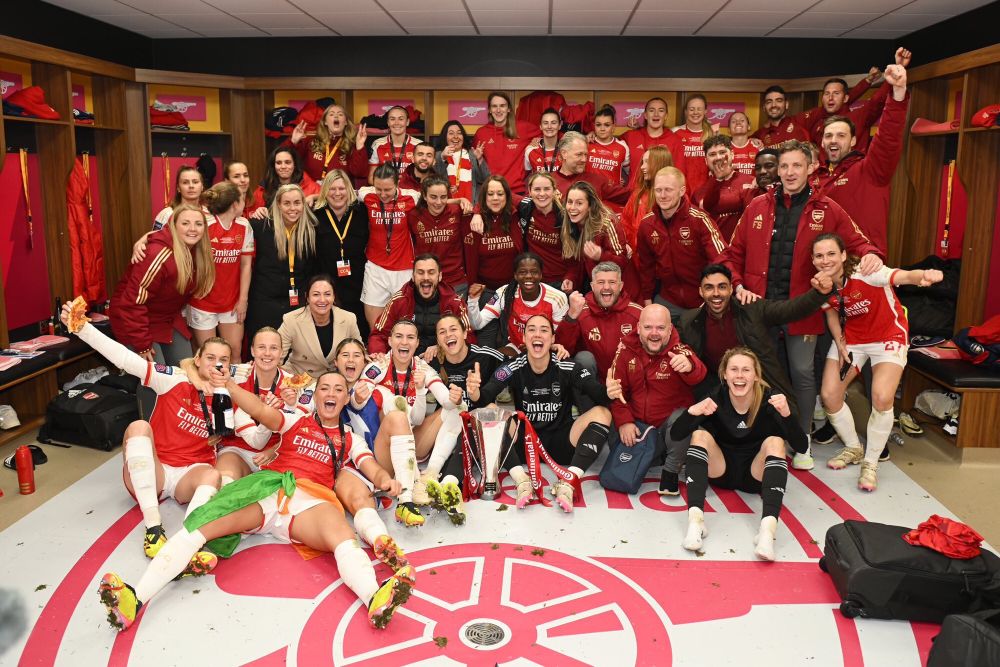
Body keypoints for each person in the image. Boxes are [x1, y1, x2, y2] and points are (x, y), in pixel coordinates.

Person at [96, 370, 414, 633]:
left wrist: (386, 481)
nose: (331, 393)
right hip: (265, 489)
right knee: (201, 524)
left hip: (311, 502)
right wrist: (230, 385)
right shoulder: (295, 420)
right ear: (316, 396)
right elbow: (261, 411)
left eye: (338, 389)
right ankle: (134, 599)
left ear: (345, 398)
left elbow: (370, 466)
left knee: (342, 536)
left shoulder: (350, 439)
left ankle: (375, 598)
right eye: (324, 388)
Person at [719, 140, 884, 470]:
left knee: (802, 374)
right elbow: (730, 256)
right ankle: (758, 438)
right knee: (756, 375)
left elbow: (861, 244)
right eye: (784, 166)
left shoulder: (829, 209)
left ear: (811, 168)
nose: (790, 172)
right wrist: (737, 286)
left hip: (803, 310)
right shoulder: (755, 207)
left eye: (797, 165)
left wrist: (870, 256)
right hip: (759, 310)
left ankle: (802, 440)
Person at [65, 307, 227, 572]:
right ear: (196, 359)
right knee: (138, 426)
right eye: (210, 357)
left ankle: (187, 544)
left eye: (224, 359)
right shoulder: (172, 378)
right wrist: (83, 329)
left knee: (213, 476)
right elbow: (126, 359)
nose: (217, 364)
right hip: (156, 470)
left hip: (192, 474)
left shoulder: (231, 391)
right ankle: (153, 528)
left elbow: (268, 374)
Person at [813, 234, 942, 492]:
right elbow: (830, 314)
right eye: (819, 256)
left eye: (831, 254)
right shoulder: (820, 284)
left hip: (887, 336)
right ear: (813, 260)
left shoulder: (867, 270)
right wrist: (840, 342)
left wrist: (923, 276)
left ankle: (871, 463)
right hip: (852, 340)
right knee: (829, 395)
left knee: (882, 397)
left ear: (843, 255)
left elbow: (901, 276)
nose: (825, 260)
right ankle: (853, 448)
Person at [677, 264, 833, 463]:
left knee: (782, 418)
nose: (716, 294)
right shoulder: (689, 320)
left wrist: (819, 293)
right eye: (709, 287)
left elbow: (790, 309)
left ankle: (784, 447)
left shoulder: (751, 308)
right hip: (719, 390)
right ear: (700, 291)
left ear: (731, 289)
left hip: (759, 387)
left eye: (722, 287)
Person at [670, 348, 807, 561]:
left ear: (756, 376)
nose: (740, 375)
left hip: (755, 475)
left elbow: (801, 445)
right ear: (725, 374)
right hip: (721, 471)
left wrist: (787, 416)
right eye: (734, 369)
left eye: (746, 370)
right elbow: (676, 434)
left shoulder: (770, 400)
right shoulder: (716, 397)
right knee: (699, 436)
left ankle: (767, 531)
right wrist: (692, 412)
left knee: (776, 442)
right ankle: (696, 522)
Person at [468, 314, 613, 512]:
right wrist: (476, 394)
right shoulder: (513, 365)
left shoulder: (566, 364)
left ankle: (568, 482)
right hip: (524, 443)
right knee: (489, 410)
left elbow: (597, 393)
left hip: (562, 442)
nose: (538, 334)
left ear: (553, 339)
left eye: (544, 330)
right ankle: (522, 480)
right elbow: (486, 396)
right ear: (524, 337)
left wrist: (609, 391)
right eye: (532, 330)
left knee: (602, 413)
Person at [352, 319, 464, 527]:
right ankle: (405, 494)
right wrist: (358, 398)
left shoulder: (423, 369)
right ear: (390, 341)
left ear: (417, 343)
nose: (404, 342)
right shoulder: (378, 367)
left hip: (414, 442)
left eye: (410, 337)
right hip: (383, 450)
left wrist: (453, 397)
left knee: (459, 409)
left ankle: (427, 476)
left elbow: (430, 412)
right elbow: (357, 405)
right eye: (399, 336)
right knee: (395, 408)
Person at [607, 304, 706, 495]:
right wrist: (625, 422)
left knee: (683, 416)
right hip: (637, 428)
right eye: (648, 327)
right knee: (610, 415)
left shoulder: (680, 351)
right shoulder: (625, 351)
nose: (654, 333)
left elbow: (700, 374)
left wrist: (690, 366)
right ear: (638, 328)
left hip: (666, 434)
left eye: (660, 328)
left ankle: (670, 471)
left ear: (670, 330)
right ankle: (651, 458)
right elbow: (616, 392)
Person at [815, 55, 910, 253]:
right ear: (822, 142)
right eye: (829, 135)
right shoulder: (815, 177)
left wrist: (898, 94)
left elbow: (888, 137)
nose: (833, 140)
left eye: (841, 135)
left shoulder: (870, 170)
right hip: (823, 267)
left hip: (863, 264)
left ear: (853, 141)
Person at [111, 204, 214, 364]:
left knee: (186, 371)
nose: (192, 229)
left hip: (166, 318)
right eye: (185, 223)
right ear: (173, 226)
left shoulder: (197, 253)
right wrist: (142, 345)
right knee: (156, 380)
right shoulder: (157, 254)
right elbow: (131, 303)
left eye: (198, 224)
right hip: (134, 319)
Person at [215, 326, 306, 486]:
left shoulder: (294, 383)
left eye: (274, 348)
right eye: (261, 347)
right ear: (252, 350)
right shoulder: (237, 377)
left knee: (282, 495)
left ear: (281, 352)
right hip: (239, 449)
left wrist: (274, 450)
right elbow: (256, 442)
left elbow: (300, 431)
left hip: (278, 452)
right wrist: (268, 414)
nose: (267, 354)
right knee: (223, 483)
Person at [636, 167, 727, 321]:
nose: (662, 195)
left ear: (681, 191)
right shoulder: (646, 225)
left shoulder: (700, 220)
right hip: (667, 299)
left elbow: (721, 259)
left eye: (668, 190)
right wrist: (647, 300)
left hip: (701, 300)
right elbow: (646, 268)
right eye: (658, 190)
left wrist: (715, 294)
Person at [183, 181, 253, 363]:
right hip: (202, 302)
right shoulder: (204, 224)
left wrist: (243, 300)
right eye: (243, 199)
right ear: (235, 204)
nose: (245, 202)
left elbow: (246, 265)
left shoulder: (244, 226)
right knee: (208, 356)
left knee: (234, 352)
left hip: (232, 302)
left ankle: (235, 390)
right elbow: (172, 235)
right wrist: (144, 239)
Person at [245, 183, 320, 341]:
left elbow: (335, 198)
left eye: (297, 203)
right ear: (278, 205)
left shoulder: (312, 229)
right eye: (286, 203)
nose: (292, 208)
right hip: (264, 303)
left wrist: (314, 196)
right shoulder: (261, 225)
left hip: (297, 303)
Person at [357, 163, 421, 330]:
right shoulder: (366, 194)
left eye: (388, 190)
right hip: (376, 268)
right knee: (376, 327)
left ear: (397, 183)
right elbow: (336, 194)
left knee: (405, 326)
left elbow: (438, 198)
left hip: (404, 268)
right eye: (379, 189)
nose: (383, 194)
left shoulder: (412, 197)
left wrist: (461, 200)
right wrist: (312, 197)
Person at [368, 254, 472, 357]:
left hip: (443, 360)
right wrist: (378, 354)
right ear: (413, 276)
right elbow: (378, 335)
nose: (426, 277)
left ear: (439, 276)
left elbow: (468, 337)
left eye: (431, 272)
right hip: (406, 360)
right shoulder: (398, 301)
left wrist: (442, 348)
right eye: (420, 273)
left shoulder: (455, 302)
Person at [468, 252, 568, 357]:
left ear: (541, 275)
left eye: (534, 272)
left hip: (545, 349)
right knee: (496, 360)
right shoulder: (504, 293)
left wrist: (534, 346)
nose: (529, 276)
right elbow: (477, 325)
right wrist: (472, 300)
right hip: (516, 347)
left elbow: (558, 337)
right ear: (515, 275)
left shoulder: (557, 298)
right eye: (522, 272)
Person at [557, 261, 643, 379]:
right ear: (592, 286)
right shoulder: (580, 311)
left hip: (627, 381)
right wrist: (571, 316)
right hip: (592, 383)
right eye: (601, 282)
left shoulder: (638, 314)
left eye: (612, 282)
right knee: (584, 358)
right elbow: (562, 350)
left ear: (621, 286)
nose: (606, 287)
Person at [312, 169, 370, 339]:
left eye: (342, 188)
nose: (337, 193)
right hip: (327, 286)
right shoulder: (315, 215)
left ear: (350, 190)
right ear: (325, 191)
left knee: (358, 333)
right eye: (332, 188)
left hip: (357, 284)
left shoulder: (362, 212)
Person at [560, 181, 638, 297]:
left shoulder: (606, 225)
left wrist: (600, 256)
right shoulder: (570, 225)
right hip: (596, 290)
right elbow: (575, 261)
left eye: (579, 203)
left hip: (622, 293)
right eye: (570, 202)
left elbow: (622, 261)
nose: (572, 208)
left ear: (590, 206)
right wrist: (571, 278)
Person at [278, 274, 361, 377]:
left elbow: (360, 353)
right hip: (300, 379)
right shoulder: (291, 320)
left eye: (327, 294)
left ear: (334, 296)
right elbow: (276, 356)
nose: (322, 300)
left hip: (336, 380)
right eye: (316, 294)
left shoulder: (348, 318)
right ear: (307, 298)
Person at [409, 176, 472, 293]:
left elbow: (482, 208)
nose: (438, 202)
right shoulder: (413, 215)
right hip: (426, 282)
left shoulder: (458, 211)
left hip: (455, 282)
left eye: (443, 197)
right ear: (424, 196)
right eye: (433, 197)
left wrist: (471, 208)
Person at [464, 175, 524, 292]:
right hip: (483, 290)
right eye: (490, 194)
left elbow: (534, 201)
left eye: (500, 194)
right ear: (484, 197)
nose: (495, 198)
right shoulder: (473, 220)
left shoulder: (517, 214)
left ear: (507, 196)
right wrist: (477, 211)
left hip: (513, 288)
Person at [473, 91, 540, 196]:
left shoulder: (523, 128)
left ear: (508, 109)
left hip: (517, 192)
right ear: (490, 110)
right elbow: (475, 167)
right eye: (494, 106)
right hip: (492, 193)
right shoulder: (481, 133)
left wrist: (536, 143)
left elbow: (549, 132)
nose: (498, 110)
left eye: (502, 106)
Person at [286, 102, 369, 184]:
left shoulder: (351, 144)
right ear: (325, 122)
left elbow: (359, 173)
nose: (336, 116)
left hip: (339, 192)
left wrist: (360, 147)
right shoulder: (311, 140)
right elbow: (286, 159)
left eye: (340, 114)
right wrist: (293, 141)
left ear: (346, 122)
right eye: (331, 114)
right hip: (312, 192)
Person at [693, 135, 757, 242]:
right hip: (714, 253)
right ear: (706, 160)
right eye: (712, 154)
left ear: (732, 154)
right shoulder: (699, 193)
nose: (718, 157)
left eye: (722, 152)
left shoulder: (751, 182)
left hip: (744, 250)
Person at [551, 132, 630, 213]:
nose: (584, 159)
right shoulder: (549, 182)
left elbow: (632, 197)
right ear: (564, 153)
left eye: (585, 155)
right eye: (579, 154)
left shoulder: (597, 181)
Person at [518, 171, 572, 285]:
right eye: (537, 189)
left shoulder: (566, 215)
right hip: (532, 279)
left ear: (554, 191)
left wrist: (570, 278)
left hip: (560, 280)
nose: (542, 194)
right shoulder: (525, 207)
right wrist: (477, 212)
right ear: (530, 191)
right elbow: (502, 194)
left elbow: (576, 257)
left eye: (547, 189)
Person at [621, 97, 686, 188]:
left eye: (661, 110)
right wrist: (593, 134)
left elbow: (679, 174)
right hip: (634, 197)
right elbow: (607, 144)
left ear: (666, 116)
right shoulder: (630, 136)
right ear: (645, 115)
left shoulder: (675, 141)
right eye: (652, 110)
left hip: (662, 197)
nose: (656, 114)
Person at [620, 145, 673, 252]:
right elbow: (625, 223)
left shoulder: (675, 195)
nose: (642, 167)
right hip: (637, 258)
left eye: (647, 162)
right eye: (642, 162)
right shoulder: (638, 194)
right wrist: (628, 245)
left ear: (659, 163)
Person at [247, 146, 320, 219]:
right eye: (279, 163)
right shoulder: (263, 189)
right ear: (273, 166)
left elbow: (328, 197)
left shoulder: (311, 187)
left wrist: (315, 197)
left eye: (287, 162)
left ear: (294, 165)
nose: (283, 166)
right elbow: (249, 214)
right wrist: (255, 213)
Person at [435, 119, 489, 203]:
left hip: (471, 205)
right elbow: (434, 179)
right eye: (451, 133)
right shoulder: (438, 155)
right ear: (445, 136)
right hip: (447, 205)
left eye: (459, 133)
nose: (456, 136)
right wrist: (442, 157)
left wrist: (480, 159)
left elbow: (485, 179)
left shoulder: (472, 154)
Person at [672, 94, 715, 196]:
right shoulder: (675, 132)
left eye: (699, 109)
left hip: (706, 192)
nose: (695, 112)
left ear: (705, 111)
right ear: (686, 112)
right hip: (680, 191)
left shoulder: (713, 134)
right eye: (691, 109)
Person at [368, 105, 421, 183]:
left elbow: (424, 178)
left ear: (407, 122)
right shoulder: (377, 144)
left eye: (401, 119)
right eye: (392, 119)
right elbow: (371, 179)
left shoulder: (419, 145)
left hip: (411, 191)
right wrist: (388, 183)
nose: (396, 123)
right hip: (385, 190)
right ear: (388, 122)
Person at [587, 104, 630, 185]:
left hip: (613, 195)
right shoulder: (586, 144)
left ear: (613, 126)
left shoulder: (622, 147)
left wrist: (623, 181)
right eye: (598, 125)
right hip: (589, 194)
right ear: (594, 126)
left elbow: (631, 173)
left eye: (607, 125)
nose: (602, 129)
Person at [153, 166, 203, 230]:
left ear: (202, 186)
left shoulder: (210, 213)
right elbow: (154, 239)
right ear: (178, 188)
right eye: (185, 182)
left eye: (195, 182)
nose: (191, 186)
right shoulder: (167, 214)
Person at [524, 107, 562, 174]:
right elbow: (527, 176)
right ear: (540, 126)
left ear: (559, 126)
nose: (549, 126)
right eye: (545, 123)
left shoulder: (567, 148)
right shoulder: (530, 150)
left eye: (553, 123)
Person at [727, 112, 762, 177]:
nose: (738, 123)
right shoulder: (724, 149)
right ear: (729, 129)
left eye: (742, 120)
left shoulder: (758, 147)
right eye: (734, 121)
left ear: (748, 126)